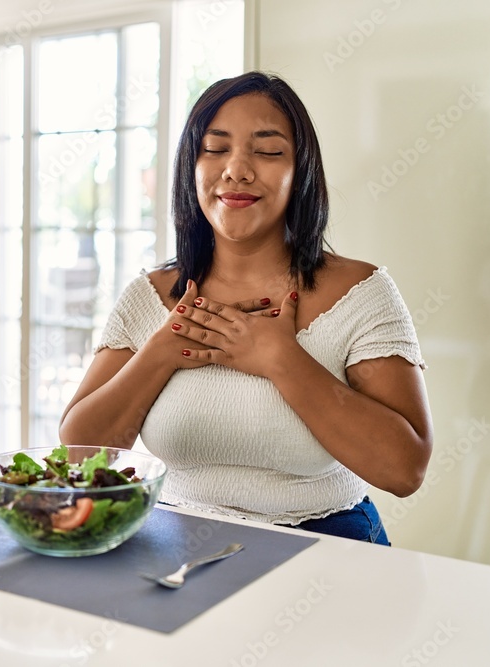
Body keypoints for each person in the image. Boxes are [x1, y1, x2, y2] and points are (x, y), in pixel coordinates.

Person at [59, 71, 433, 545]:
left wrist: (280, 359)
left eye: (269, 150)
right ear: (190, 167)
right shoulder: (150, 296)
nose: (236, 169)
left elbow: (405, 469)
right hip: (176, 539)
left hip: (326, 542)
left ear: (302, 171)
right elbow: (78, 454)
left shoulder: (361, 292)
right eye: (215, 149)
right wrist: (161, 351)